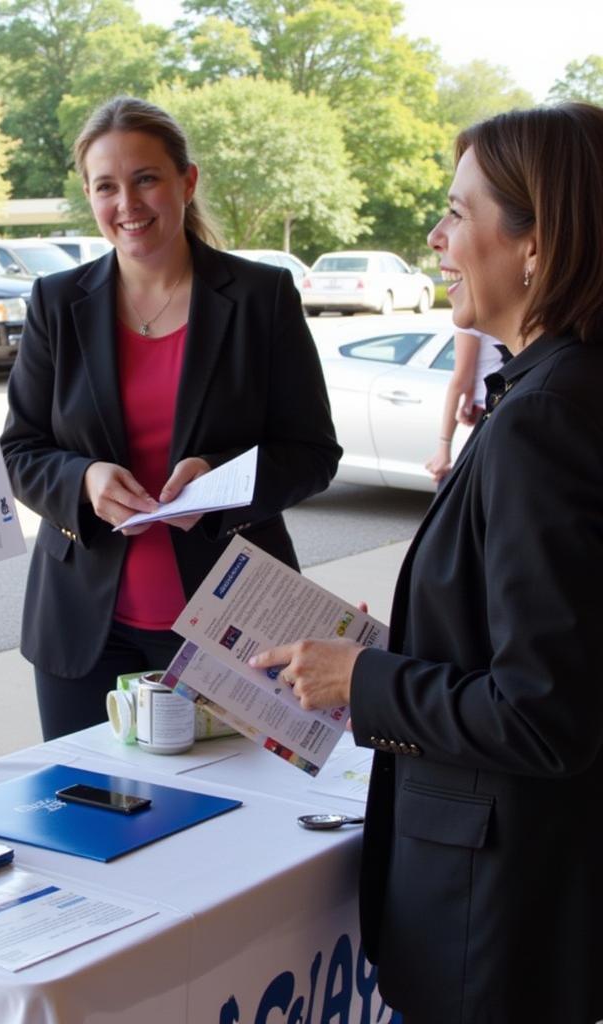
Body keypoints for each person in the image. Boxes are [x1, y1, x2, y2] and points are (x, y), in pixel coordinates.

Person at [249, 102, 603, 1024]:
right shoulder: (560, 387)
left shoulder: (544, 422)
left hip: (502, 920)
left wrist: (365, 678)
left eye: (458, 213)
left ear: (536, 244)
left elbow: (545, 713)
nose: (438, 239)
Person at [0, 96, 340, 741]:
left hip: (232, 621)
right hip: (84, 630)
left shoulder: (261, 298)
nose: (127, 204)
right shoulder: (56, 300)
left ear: (187, 181)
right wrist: (85, 479)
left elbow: (312, 452)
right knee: (93, 818)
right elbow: (20, 450)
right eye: (107, 187)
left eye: (146, 178)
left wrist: (219, 481)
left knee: (238, 825)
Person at [424, 328, 503, 484]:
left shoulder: (470, 319)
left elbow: (460, 382)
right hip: (509, 403)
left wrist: (444, 448)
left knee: (462, 487)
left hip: (487, 411)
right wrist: (470, 395)